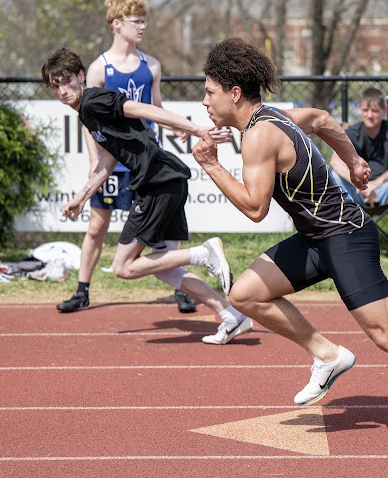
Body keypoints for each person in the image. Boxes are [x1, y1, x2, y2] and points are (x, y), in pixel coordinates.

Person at [191, 37, 388, 452]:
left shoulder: (258, 136)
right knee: (245, 294)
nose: (204, 101)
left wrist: (211, 164)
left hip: (346, 236)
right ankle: (326, 354)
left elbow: (254, 208)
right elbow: (322, 119)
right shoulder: (275, 116)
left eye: (210, 92)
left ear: (234, 93)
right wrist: (355, 159)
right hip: (317, 237)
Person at [41, 47, 252, 346]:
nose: (63, 90)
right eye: (55, 86)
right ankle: (232, 315)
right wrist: (82, 196)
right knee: (167, 271)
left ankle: (203, 254)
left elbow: (142, 108)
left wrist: (195, 129)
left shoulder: (93, 100)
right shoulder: (86, 114)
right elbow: (107, 162)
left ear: (81, 77)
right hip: (167, 179)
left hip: (157, 181)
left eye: (66, 81)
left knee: (123, 267)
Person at [56, 0, 197, 315]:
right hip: (111, 159)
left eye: (144, 20)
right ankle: (82, 290)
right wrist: (94, 159)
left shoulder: (152, 65)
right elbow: (87, 120)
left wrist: (177, 126)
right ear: (117, 24)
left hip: (144, 158)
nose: (143, 27)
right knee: (96, 226)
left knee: (164, 226)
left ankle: (180, 288)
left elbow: (155, 106)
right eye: (137, 21)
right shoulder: (98, 68)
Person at [329, 87, 388, 259]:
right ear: (360, 111)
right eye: (365, 110)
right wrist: (359, 184)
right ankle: (345, 238)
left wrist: (377, 183)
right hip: (357, 191)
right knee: (334, 175)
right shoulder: (352, 132)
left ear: (384, 111)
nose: (370, 115)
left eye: (375, 110)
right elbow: (334, 161)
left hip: (384, 189)